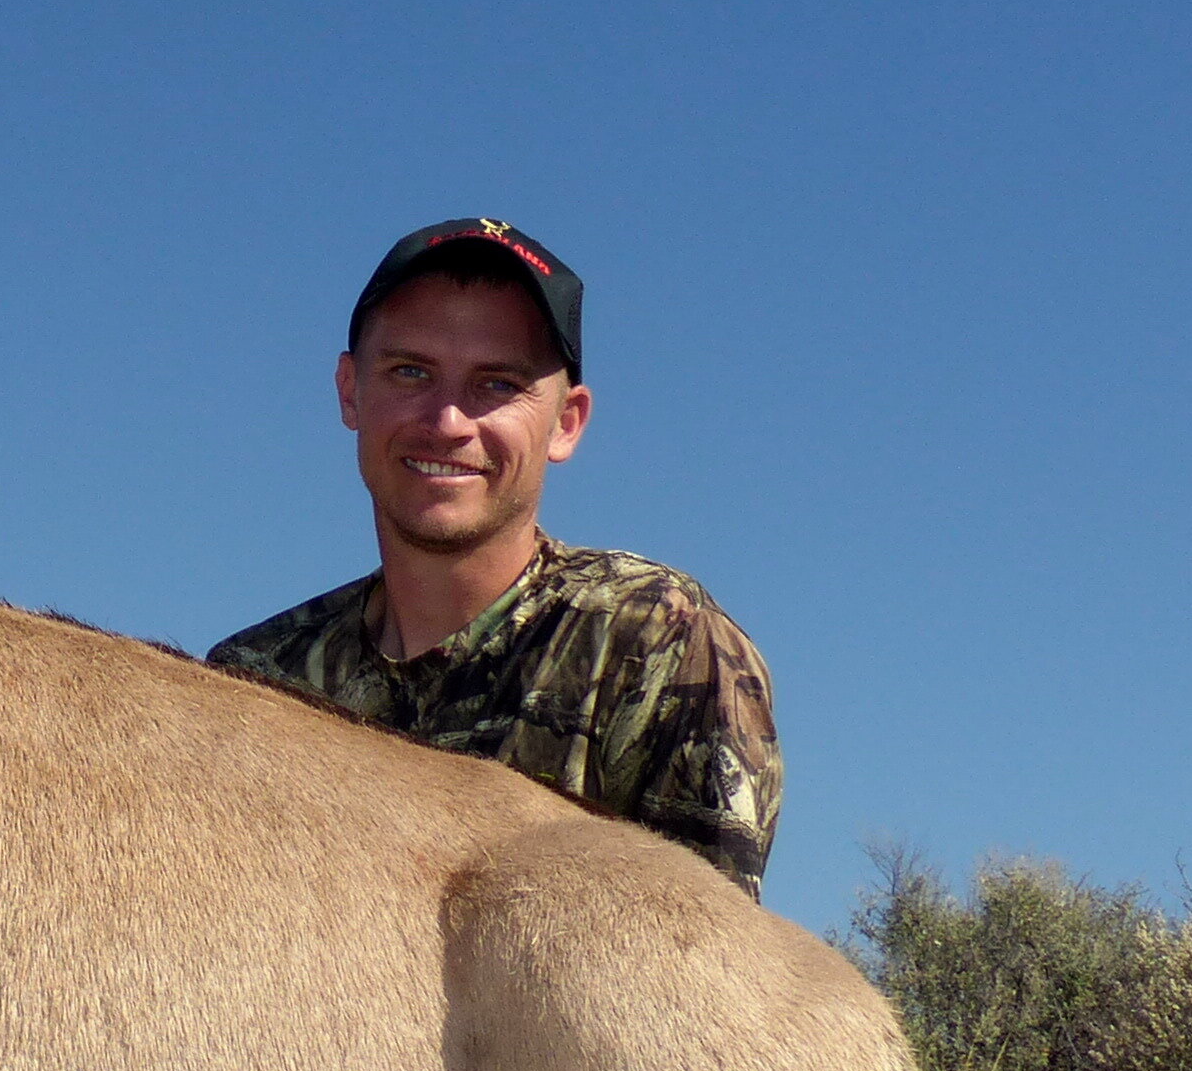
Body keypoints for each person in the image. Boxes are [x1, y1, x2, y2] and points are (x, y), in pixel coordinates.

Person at [207, 219, 783, 893]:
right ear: (349, 391)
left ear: (566, 423)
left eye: (497, 385)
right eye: (410, 371)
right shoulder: (252, 680)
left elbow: (705, 965)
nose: (448, 421)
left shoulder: (658, 641)